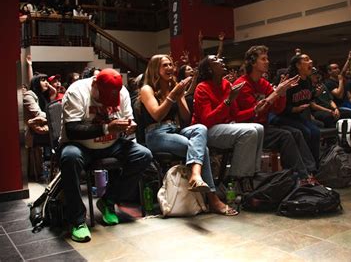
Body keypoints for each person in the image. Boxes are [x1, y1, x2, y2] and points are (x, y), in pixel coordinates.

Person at [60, 68, 152, 242]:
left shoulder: (122, 92)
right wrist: (107, 127)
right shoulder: (76, 91)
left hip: (112, 144)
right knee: (69, 158)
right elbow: (72, 130)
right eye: (103, 99)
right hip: (80, 146)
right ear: (94, 83)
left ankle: (108, 201)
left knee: (143, 155)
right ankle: (78, 219)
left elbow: (129, 119)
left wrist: (129, 126)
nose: (106, 103)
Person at [139, 54, 237, 215]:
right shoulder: (146, 89)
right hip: (156, 133)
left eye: (171, 65)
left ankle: (196, 176)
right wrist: (172, 96)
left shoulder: (174, 86)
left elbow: (185, 117)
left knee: (200, 128)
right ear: (155, 68)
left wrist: (179, 96)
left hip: (175, 129)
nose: (170, 68)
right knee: (200, 149)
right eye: (165, 65)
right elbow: (157, 115)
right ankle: (212, 198)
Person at [233, 45, 317, 184]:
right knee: (286, 135)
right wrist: (277, 93)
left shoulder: (263, 83)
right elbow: (253, 113)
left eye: (267, 58)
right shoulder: (242, 84)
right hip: (249, 130)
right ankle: (302, 176)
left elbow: (277, 109)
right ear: (253, 62)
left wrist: (282, 94)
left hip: (264, 126)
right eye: (263, 59)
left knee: (296, 133)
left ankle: (309, 172)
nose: (267, 61)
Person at [193, 55, 264, 192]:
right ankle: (235, 179)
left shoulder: (226, 85)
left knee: (259, 128)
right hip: (206, 130)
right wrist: (227, 101)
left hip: (225, 127)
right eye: (216, 61)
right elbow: (207, 120)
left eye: (221, 59)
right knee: (249, 132)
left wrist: (254, 110)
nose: (221, 61)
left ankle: (251, 175)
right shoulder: (202, 88)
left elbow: (236, 115)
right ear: (209, 69)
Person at [272, 53, 321, 167]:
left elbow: (306, 98)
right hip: (281, 116)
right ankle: (304, 167)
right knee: (306, 132)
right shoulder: (289, 80)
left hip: (296, 116)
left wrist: (314, 94)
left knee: (315, 132)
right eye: (306, 60)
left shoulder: (307, 81)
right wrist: (294, 109)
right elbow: (279, 106)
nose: (311, 62)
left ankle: (315, 166)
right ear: (298, 65)